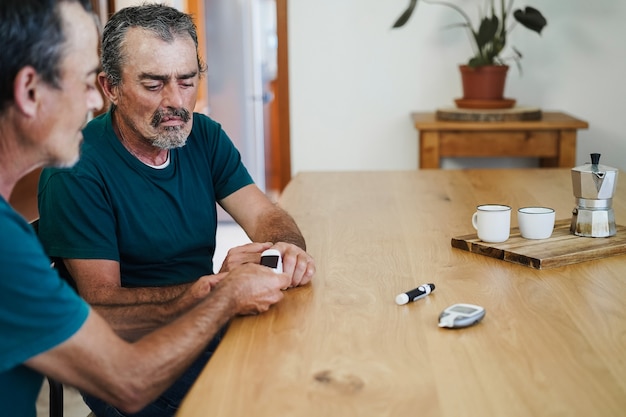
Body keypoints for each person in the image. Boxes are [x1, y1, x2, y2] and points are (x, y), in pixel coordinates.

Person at [0, 1, 295, 416]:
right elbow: (125, 374)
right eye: (84, 82)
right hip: (142, 358)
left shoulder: (9, 236)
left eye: (188, 80)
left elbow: (266, 215)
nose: (91, 102)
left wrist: (278, 256)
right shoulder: (15, 238)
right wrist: (217, 295)